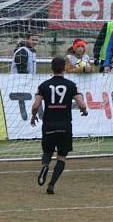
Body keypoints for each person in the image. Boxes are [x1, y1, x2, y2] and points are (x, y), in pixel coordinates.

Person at [31, 56, 88, 195]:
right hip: (65, 124)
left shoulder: (43, 85)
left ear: (52, 68)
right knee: (62, 156)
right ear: (64, 68)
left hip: (49, 124)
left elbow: (36, 106)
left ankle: (45, 166)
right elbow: (81, 104)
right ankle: (51, 184)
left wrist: (33, 116)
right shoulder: (71, 85)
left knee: (47, 152)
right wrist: (84, 111)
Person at [93, 7, 113, 71]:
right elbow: (99, 41)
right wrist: (96, 56)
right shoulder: (108, 25)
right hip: (105, 58)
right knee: (103, 80)